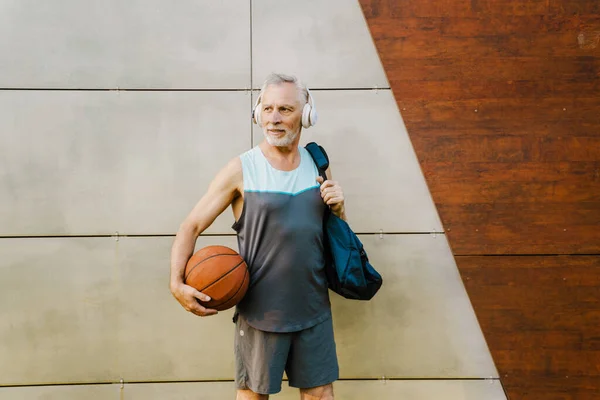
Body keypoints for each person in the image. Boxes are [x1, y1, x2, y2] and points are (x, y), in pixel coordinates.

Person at [170, 73, 346, 400]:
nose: (274, 118)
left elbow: (333, 234)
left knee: (321, 395)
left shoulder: (318, 165)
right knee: (253, 397)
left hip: (313, 309)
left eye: (285, 109)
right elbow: (190, 225)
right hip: (261, 314)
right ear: (257, 112)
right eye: (267, 109)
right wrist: (176, 282)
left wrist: (338, 211)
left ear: (307, 115)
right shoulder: (242, 168)